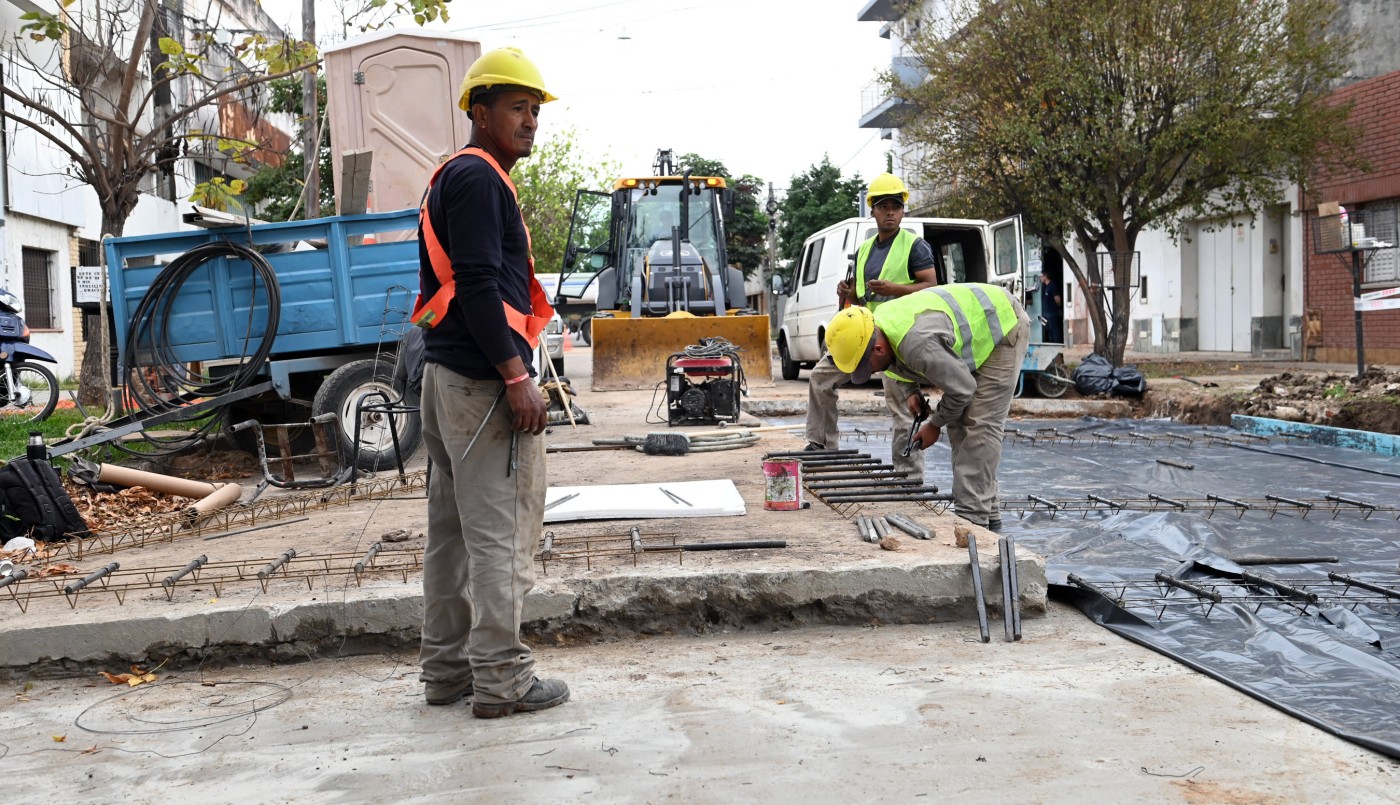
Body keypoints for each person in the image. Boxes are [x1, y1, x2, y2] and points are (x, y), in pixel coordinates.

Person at [412, 47, 569, 719]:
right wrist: (515, 375)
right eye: (517, 108)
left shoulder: (461, 176)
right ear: (480, 113)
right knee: (501, 531)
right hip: (480, 383)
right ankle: (501, 677)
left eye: (535, 110)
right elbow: (476, 284)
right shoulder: (478, 179)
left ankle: (447, 670)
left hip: (450, 377)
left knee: (451, 533)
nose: (530, 120)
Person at [823, 283, 1030, 531]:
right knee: (958, 423)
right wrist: (911, 392)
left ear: (877, 348)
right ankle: (989, 515)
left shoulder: (919, 345)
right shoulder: (874, 327)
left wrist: (934, 425)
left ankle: (973, 522)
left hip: (1003, 325)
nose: (873, 372)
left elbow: (962, 389)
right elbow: (894, 360)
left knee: (979, 427)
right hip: (976, 324)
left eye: (868, 366)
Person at [804, 173, 940, 480]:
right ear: (873, 211)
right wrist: (847, 294)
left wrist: (895, 289)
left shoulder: (914, 246)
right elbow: (861, 298)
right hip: (866, 334)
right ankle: (822, 445)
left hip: (899, 339)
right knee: (821, 377)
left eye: (895, 206)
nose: (890, 212)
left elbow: (931, 286)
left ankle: (908, 475)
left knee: (904, 403)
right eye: (883, 206)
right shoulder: (864, 249)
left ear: (903, 210)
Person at [1038, 271, 1063, 343]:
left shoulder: (1052, 286)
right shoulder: (1045, 287)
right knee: (1049, 330)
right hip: (1046, 313)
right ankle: (1051, 344)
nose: (1040, 278)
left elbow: (1057, 299)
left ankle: (1057, 344)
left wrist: (1058, 308)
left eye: (1041, 276)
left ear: (1045, 276)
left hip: (1052, 312)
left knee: (1054, 330)